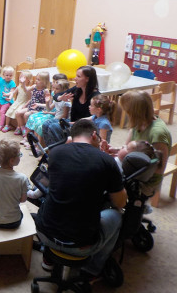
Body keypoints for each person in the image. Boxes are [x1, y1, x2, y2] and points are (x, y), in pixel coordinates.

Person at [35, 119, 127, 278]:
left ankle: (48, 259)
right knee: (117, 215)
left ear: (72, 136)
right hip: (80, 245)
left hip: (45, 234)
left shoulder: (55, 153)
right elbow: (120, 202)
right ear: (94, 135)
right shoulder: (107, 161)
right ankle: (92, 270)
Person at [119, 90, 172, 204]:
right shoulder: (138, 122)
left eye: (127, 111)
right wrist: (118, 151)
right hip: (135, 168)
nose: (126, 113)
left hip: (147, 180)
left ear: (135, 112)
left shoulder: (157, 133)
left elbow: (159, 169)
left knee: (111, 186)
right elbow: (127, 146)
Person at [42, 65, 100, 146]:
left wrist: (76, 123)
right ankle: (52, 152)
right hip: (72, 122)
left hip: (84, 127)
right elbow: (56, 96)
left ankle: (61, 151)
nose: (75, 78)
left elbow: (96, 118)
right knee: (46, 124)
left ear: (87, 79)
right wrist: (60, 97)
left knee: (53, 127)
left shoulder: (95, 96)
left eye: (78, 76)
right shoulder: (76, 89)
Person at [0, 139, 28, 229]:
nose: (20, 156)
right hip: (14, 222)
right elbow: (23, 200)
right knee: (21, 214)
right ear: (11, 161)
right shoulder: (22, 178)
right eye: (19, 155)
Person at [14, 71, 50, 137]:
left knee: (26, 115)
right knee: (18, 113)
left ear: (44, 82)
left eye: (38, 80)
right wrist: (24, 84)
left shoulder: (45, 90)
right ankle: (23, 129)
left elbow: (47, 104)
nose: (36, 80)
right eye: (36, 78)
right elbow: (26, 91)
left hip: (39, 109)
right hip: (31, 107)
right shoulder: (34, 86)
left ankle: (30, 131)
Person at [0, 66, 16, 131]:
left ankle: (1, 125)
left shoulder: (12, 83)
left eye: (10, 75)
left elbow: (12, 92)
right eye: (7, 75)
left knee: (2, 112)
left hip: (7, 101)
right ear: (3, 74)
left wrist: (7, 95)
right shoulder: (1, 81)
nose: (8, 77)